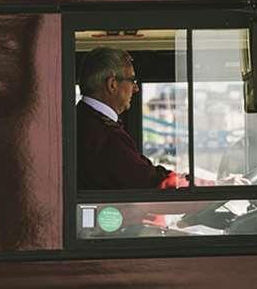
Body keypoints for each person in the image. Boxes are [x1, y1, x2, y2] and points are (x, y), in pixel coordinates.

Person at [76, 47, 185, 190]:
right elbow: (146, 181)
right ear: (112, 84)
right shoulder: (105, 135)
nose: (136, 89)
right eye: (132, 80)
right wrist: (188, 183)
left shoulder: (80, 120)